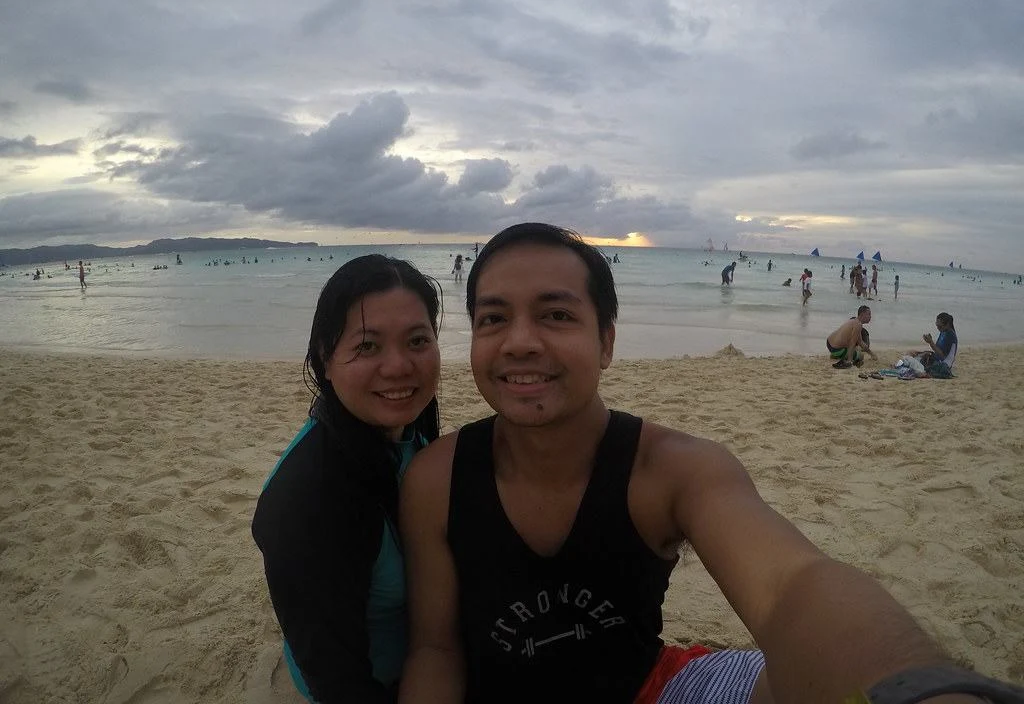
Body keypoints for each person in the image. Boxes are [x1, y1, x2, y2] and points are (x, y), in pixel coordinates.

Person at [397, 224, 1022, 704]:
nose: (521, 341)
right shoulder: (438, 479)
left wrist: (917, 687)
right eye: (493, 319)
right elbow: (434, 647)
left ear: (607, 341)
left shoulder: (674, 469)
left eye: (557, 315)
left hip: (651, 689)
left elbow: (791, 587)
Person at [252, 254, 442, 703]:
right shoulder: (310, 501)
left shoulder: (407, 425)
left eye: (417, 341)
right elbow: (335, 677)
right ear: (326, 356)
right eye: (368, 346)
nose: (399, 367)